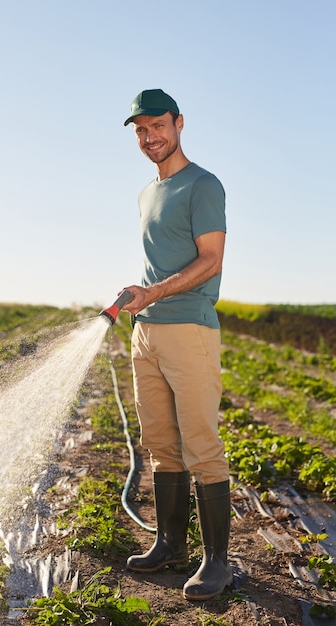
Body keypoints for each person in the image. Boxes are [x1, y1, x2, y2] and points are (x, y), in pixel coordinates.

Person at [120, 89, 233, 601]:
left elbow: (211, 261)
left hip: (189, 330)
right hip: (147, 333)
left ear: (179, 123)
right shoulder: (148, 192)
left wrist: (159, 292)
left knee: (201, 446)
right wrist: (138, 294)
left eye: (158, 126)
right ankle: (169, 543)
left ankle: (216, 563)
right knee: (161, 445)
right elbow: (159, 265)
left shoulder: (203, 184)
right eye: (141, 130)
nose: (150, 137)